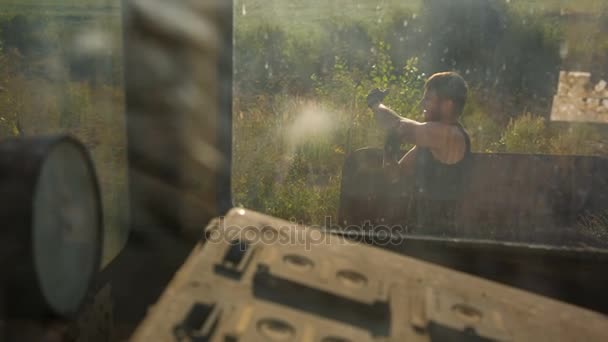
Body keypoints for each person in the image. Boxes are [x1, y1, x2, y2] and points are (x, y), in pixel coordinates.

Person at [367, 71, 472, 232]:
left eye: (428, 99)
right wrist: (389, 148)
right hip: (418, 232)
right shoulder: (428, 142)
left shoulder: (452, 136)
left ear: (447, 104)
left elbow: (400, 126)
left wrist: (375, 103)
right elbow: (394, 175)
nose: (422, 103)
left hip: (442, 238)